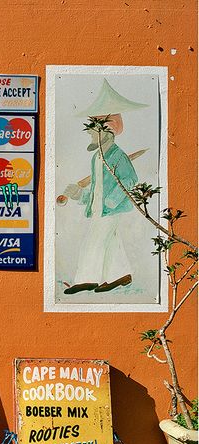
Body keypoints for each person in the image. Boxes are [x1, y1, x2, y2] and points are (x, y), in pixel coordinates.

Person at [60, 79, 147, 294]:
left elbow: (129, 181)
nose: (90, 135)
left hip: (111, 208)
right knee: (111, 242)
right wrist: (80, 194)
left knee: (95, 240)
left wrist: (111, 200)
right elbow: (98, 187)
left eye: (93, 131)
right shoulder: (97, 158)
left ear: (107, 132)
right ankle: (121, 275)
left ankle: (86, 279)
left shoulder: (118, 156)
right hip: (100, 208)